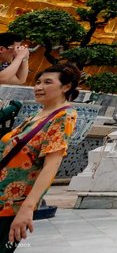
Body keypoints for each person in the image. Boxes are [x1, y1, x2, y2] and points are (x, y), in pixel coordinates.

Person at [0, 64, 79, 250]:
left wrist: (27, 208)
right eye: (38, 82)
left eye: (47, 82)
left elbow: (51, 165)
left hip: (12, 205)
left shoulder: (63, 116)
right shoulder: (40, 114)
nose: (39, 87)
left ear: (66, 87)